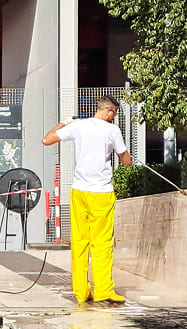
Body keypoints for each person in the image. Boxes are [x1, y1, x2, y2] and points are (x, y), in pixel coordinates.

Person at [42, 95, 132, 304]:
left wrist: (64, 123)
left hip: (79, 192)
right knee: (102, 243)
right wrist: (127, 158)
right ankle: (103, 290)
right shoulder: (112, 130)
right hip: (102, 193)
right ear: (109, 111)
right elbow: (125, 161)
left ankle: (81, 292)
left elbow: (47, 140)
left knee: (80, 242)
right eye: (115, 114)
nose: (114, 118)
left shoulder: (79, 126)